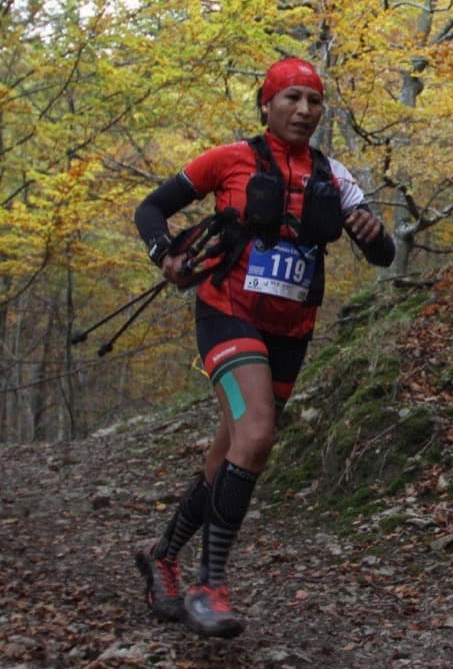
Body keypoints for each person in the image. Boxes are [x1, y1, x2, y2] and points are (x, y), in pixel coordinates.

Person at [132, 57, 395, 638]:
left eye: (315, 101)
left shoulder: (336, 175)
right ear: (267, 103)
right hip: (227, 314)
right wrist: (165, 255)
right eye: (292, 98)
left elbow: (383, 256)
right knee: (255, 438)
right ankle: (211, 583)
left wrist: (378, 236)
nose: (304, 110)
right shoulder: (228, 159)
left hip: (290, 332)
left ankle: (163, 555)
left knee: (231, 454)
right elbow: (150, 209)